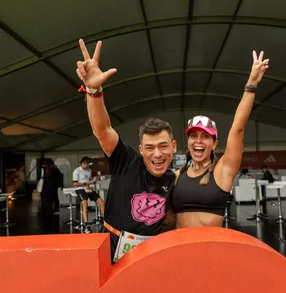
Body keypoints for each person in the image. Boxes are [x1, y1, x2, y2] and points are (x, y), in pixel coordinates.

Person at [76, 39, 176, 262]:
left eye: (163, 146)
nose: (157, 154)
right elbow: (103, 130)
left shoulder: (173, 180)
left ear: (174, 147)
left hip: (151, 255)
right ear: (141, 149)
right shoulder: (127, 160)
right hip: (113, 251)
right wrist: (93, 90)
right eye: (149, 148)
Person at [171, 50, 270, 228]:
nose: (198, 141)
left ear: (215, 143)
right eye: (193, 135)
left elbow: (237, 129)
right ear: (188, 141)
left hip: (210, 251)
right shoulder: (178, 175)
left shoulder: (222, 170)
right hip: (179, 251)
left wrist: (251, 85)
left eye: (205, 136)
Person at [73, 156, 105, 233]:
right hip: (80, 189)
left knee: (101, 202)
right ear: (82, 163)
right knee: (85, 203)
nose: (88, 166)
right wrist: (85, 183)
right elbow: (74, 184)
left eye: (88, 164)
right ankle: (86, 225)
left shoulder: (89, 170)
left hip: (88, 188)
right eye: (86, 164)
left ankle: (105, 222)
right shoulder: (77, 171)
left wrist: (94, 180)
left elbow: (89, 180)